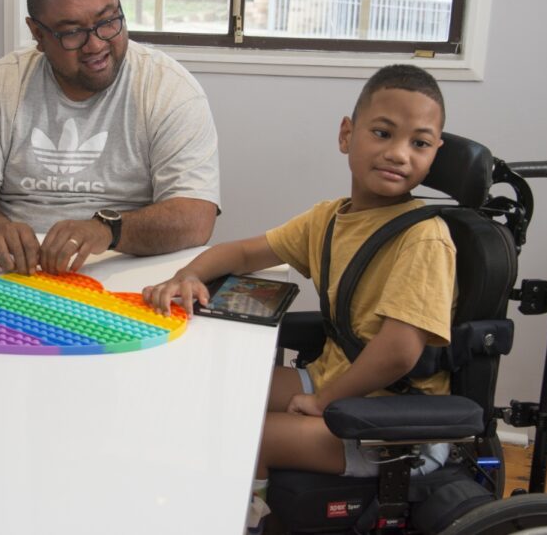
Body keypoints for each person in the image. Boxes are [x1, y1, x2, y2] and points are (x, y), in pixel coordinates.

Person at [142, 65, 456, 531]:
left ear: (435, 154)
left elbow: (398, 352)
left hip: (395, 426)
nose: (398, 154)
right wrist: (186, 276)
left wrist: (324, 399)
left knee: (247, 434)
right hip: (337, 383)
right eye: (383, 132)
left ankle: (248, 521)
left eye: (419, 143)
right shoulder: (330, 219)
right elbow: (244, 251)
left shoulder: (424, 239)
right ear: (346, 135)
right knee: (217, 392)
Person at [0, 0, 220, 275]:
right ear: (38, 34)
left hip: (126, 265)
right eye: (73, 32)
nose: (96, 44)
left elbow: (197, 217)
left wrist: (108, 230)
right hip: (18, 270)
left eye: (108, 21)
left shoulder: (169, 89)